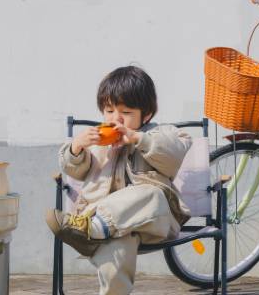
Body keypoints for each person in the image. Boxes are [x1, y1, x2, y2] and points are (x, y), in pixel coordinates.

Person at [46, 65, 191, 295]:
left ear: (147, 114)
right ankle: (97, 228)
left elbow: (174, 153)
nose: (116, 119)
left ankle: (93, 227)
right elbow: (74, 170)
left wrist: (136, 139)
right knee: (116, 256)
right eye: (109, 110)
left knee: (152, 193)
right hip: (115, 231)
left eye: (125, 112)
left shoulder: (158, 134)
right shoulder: (97, 140)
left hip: (152, 221)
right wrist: (77, 147)